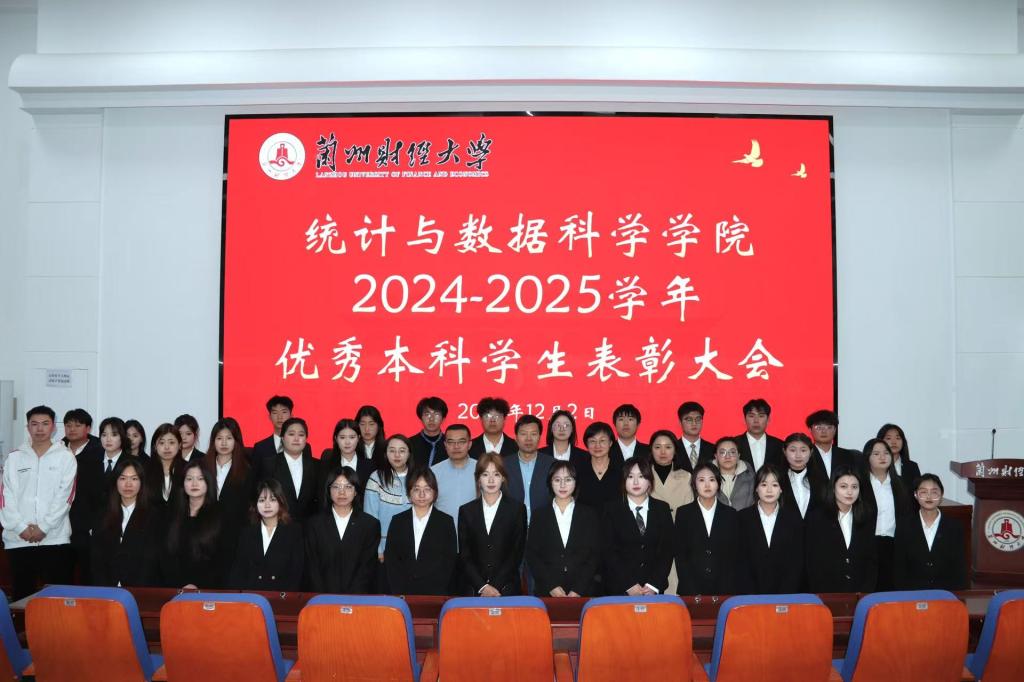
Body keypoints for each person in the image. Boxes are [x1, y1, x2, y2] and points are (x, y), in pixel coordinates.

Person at [1, 406, 77, 599]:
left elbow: (65, 496)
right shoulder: (14, 457)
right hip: (19, 539)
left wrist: (44, 527)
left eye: (45, 424)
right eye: (34, 424)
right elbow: (6, 496)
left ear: (53, 427)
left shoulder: (66, 457)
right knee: (21, 596)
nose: (40, 429)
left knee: (57, 598)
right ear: (28, 427)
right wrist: (20, 527)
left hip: (54, 538)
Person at [71, 416, 133, 584]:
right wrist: (89, 526)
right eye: (104, 435)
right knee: (91, 577)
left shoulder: (132, 463)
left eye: (114, 434)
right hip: (91, 531)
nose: (108, 439)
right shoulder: (87, 461)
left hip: (119, 529)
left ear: (122, 437)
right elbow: (81, 498)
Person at [526, 461, 601, 597]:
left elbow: (594, 555)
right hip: (547, 591)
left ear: (576, 482)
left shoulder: (589, 514)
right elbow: (532, 555)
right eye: (557, 480)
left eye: (568, 480)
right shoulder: (539, 515)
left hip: (583, 591)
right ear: (550, 482)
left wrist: (578, 589)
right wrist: (551, 586)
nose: (562, 485)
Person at [457, 454, 527, 596]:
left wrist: (495, 586)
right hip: (474, 590)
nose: (491, 480)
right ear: (478, 479)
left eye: (496, 474)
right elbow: (465, 555)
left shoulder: (517, 509)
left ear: (503, 478)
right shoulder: (466, 511)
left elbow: (516, 553)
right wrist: (482, 586)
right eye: (485, 474)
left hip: (507, 589)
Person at [603, 457, 674, 595]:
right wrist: (629, 585)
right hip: (620, 589)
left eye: (641, 476)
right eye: (630, 477)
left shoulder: (662, 509)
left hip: (652, 590)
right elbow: (609, 551)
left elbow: (667, 550)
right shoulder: (611, 510)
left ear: (650, 481)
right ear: (623, 481)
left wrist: (653, 585)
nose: (635, 482)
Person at [305, 466, 381, 594]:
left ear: (356, 491)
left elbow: (367, 567)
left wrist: (352, 597)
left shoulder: (370, 525)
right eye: (336, 487)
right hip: (322, 598)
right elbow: (312, 567)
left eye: (348, 487)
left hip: (358, 598)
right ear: (328, 490)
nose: (342, 492)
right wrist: (323, 596)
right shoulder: (314, 524)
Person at [384, 468, 458, 595]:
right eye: (416, 489)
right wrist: (399, 591)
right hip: (402, 593)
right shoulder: (398, 521)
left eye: (427, 489)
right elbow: (391, 560)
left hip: (435, 593)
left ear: (435, 492)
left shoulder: (446, 522)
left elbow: (449, 561)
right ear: (409, 493)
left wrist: (437, 590)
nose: (422, 494)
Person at [805, 467, 877, 593]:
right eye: (843, 486)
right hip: (826, 591)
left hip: (859, 591)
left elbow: (871, 559)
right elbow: (812, 560)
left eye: (854, 487)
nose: (850, 492)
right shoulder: (817, 517)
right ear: (833, 488)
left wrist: (866, 590)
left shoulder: (866, 516)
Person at [90, 458, 160, 587]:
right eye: (122, 478)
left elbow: (151, 559)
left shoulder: (154, 516)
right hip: (107, 587)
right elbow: (97, 557)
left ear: (142, 482)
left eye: (134, 479)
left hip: (140, 588)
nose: (128, 484)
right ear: (115, 482)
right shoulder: (103, 514)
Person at [159, 460, 228, 589]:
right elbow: (165, 555)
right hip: (174, 587)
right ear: (183, 483)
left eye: (200, 479)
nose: (194, 484)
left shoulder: (220, 515)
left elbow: (223, 560)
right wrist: (180, 584)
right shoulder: (172, 514)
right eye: (189, 479)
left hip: (208, 589)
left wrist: (197, 585)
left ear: (208, 482)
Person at [736, 464, 804, 594]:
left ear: (781, 489)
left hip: (785, 594)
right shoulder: (742, 518)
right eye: (763, 484)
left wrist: (785, 594)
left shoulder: (793, 519)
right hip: (750, 594)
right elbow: (740, 561)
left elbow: (796, 562)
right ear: (756, 488)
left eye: (774, 485)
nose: (769, 490)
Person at [674, 462, 739, 595]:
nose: (707, 485)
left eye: (712, 480)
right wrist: (691, 589)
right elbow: (680, 555)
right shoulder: (683, 513)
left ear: (718, 483)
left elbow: (734, 556)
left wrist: (727, 588)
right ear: (694, 484)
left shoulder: (731, 514)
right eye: (701, 480)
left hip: (725, 589)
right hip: (691, 589)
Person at [228, 478, 304, 592]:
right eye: (262, 500)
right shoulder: (247, 533)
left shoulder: (294, 532)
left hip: (282, 596)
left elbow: (296, 572)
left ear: (280, 502)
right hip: (252, 596)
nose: (267, 505)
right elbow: (238, 571)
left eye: (273, 500)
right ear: (255, 504)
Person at [893, 474, 967, 591]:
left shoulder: (954, 527)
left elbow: (959, 567)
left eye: (934, 492)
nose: (929, 496)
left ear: (941, 496)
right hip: (912, 593)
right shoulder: (904, 526)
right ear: (916, 495)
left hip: (945, 593)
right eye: (923, 492)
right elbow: (899, 567)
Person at [859, 438, 912, 591]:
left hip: (894, 545)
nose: (882, 457)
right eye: (876, 454)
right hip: (866, 545)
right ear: (867, 457)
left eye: (886, 453)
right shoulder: (859, 484)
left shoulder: (901, 484)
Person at [364, 435, 413, 559]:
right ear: (386, 454)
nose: (397, 455)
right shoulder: (376, 478)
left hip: (414, 544)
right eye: (392, 450)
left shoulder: (418, 477)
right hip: (385, 548)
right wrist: (378, 548)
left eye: (402, 451)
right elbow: (370, 518)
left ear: (409, 454)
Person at [203, 418, 252, 538]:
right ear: (213, 441)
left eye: (229, 438)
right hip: (205, 532)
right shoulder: (202, 467)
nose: (224, 443)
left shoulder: (247, 470)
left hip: (234, 533)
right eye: (219, 438)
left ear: (236, 441)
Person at [264, 417, 318, 522]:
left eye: (301, 435)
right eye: (291, 434)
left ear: (306, 439)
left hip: (310, 526)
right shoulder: (268, 464)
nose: (296, 439)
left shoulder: (318, 466)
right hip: (278, 524)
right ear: (283, 438)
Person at [502, 415, 553, 525]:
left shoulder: (552, 464)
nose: (528, 439)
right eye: (523, 434)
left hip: (544, 525)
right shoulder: (503, 464)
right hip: (511, 526)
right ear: (516, 437)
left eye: (533, 434)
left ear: (539, 437)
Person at [431, 424, 479, 523]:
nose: (456, 446)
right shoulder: (433, 472)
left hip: (475, 530)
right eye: (451, 442)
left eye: (461, 442)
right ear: (445, 445)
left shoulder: (482, 470)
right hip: (443, 529)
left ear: (469, 444)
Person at [778, 433, 829, 519]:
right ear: (784, 451)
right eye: (792, 450)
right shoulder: (777, 478)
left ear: (811, 452)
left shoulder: (821, 479)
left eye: (803, 450)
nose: (798, 455)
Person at [575, 421, 623, 510]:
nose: (597, 445)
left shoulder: (622, 469)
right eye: (592, 441)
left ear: (610, 443)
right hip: (584, 518)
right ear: (586, 444)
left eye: (602, 441)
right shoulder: (577, 469)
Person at [648, 430, 694, 514]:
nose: (663, 452)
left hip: (679, 521)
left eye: (668, 447)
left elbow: (690, 510)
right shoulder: (644, 475)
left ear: (675, 450)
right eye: (657, 447)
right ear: (651, 450)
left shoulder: (686, 476)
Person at [320, 418, 375, 487]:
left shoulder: (370, 466)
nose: (347, 442)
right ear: (336, 438)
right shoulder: (326, 466)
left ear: (358, 438)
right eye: (342, 437)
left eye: (352, 437)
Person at [806, 409, 860, 480]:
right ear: (810, 429)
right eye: (819, 427)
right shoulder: (805, 455)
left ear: (835, 430)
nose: (824, 431)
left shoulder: (848, 455)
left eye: (829, 427)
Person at [733, 398, 784, 472]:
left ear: (768, 419)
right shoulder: (734, 444)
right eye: (751, 416)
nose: (756, 421)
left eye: (761, 416)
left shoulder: (779, 445)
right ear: (744, 419)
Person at [145, 423, 185, 506]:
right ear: (155, 446)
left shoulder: (188, 469)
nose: (166, 447)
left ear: (180, 445)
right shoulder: (145, 469)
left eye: (171, 442)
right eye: (162, 443)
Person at [250, 395, 293, 472]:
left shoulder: (302, 446)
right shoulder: (260, 447)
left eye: (284, 412)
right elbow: (254, 476)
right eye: (275, 413)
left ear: (291, 416)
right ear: (269, 417)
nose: (280, 417)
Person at [876, 423, 922, 492]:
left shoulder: (912, 467)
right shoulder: (874, 466)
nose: (894, 442)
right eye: (888, 438)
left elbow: (918, 492)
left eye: (898, 438)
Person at [714, 437, 754, 510]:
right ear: (716, 456)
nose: (727, 456)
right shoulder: (705, 477)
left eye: (732, 452)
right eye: (722, 452)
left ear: (738, 455)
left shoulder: (751, 477)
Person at [676, 401, 716, 473]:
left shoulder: (713, 449)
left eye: (698, 419)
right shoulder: (673, 449)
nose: (694, 423)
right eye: (689, 419)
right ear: (680, 422)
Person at [410, 397, 449, 468]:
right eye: (427, 414)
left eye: (436, 414)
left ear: (443, 418)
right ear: (421, 418)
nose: (431, 419)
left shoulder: (450, 444)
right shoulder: (409, 444)